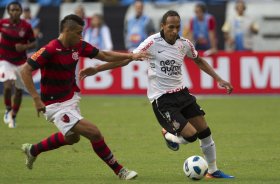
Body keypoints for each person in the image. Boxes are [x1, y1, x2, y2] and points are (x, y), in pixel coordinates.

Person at [80, 10, 235, 179]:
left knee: (205, 131)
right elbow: (127, 59)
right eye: (171, 27)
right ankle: (168, 134)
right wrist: (96, 69)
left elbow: (198, 60)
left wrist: (219, 79)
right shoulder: (152, 42)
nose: (175, 31)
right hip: (162, 99)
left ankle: (212, 171)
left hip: (182, 93)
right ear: (162, 26)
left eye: (177, 27)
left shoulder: (184, 44)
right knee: (191, 136)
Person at [20, 14, 147, 180]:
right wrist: (36, 99)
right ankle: (120, 171)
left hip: (70, 98)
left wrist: (130, 56)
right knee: (94, 133)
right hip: (55, 105)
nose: (81, 36)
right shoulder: (50, 49)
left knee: (72, 138)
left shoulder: (78, 46)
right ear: (67, 31)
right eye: (79, 32)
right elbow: (25, 70)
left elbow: (104, 55)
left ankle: (33, 150)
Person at [0, 1, 36, 128]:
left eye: (17, 10)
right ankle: (8, 109)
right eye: (12, 10)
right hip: (5, 59)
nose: (14, 12)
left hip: (20, 61)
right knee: (8, 86)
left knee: (19, 91)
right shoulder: (2, 23)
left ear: (21, 11)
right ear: (8, 11)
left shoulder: (26, 26)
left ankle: (13, 116)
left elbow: (34, 43)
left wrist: (24, 46)